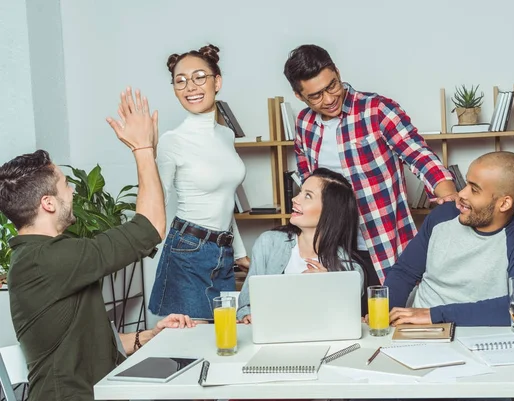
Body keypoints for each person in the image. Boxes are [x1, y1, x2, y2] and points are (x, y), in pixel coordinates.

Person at [0, 88, 198, 401]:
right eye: (66, 186)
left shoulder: (41, 257)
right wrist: (143, 149)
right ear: (48, 203)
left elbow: (83, 345)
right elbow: (150, 228)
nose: (74, 193)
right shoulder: (49, 260)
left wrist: (149, 336)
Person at [283, 44, 457, 289]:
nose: (330, 98)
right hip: (331, 247)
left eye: (332, 85)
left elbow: (419, 155)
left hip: (381, 242)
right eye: (316, 95)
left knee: (384, 319)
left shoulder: (377, 110)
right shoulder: (304, 123)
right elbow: (307, 177)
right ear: (299, 96)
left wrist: (449, 198)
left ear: (338, 73)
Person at [382, 151, 514, 326]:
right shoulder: (443, 215)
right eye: (466, 184)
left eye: (474, 190)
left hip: (474, 335)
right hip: (420, 331)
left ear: (504, 203)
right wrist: (382, 314)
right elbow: (404, 273)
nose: (461, 194)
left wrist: (435, 315)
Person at [148, 44, 249, 319]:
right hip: (187, 251)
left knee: (222, 336)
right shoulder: (173, 140)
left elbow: (226, 201)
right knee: (190, 341)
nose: (190, 86)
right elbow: (156, 199)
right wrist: (143, 151)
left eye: (199, 77)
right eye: (180, 81)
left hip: (223, 252)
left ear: (217, 81)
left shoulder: (226, 136)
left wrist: (239, 252)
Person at [237, 168, 365, 322]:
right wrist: (247, 316)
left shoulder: (352, 271)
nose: (295, 199)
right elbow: (246, 304)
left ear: (330, 212)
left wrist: (330, 284)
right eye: (300, 192)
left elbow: (348, 321)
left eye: (308, 196)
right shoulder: (268, 243)